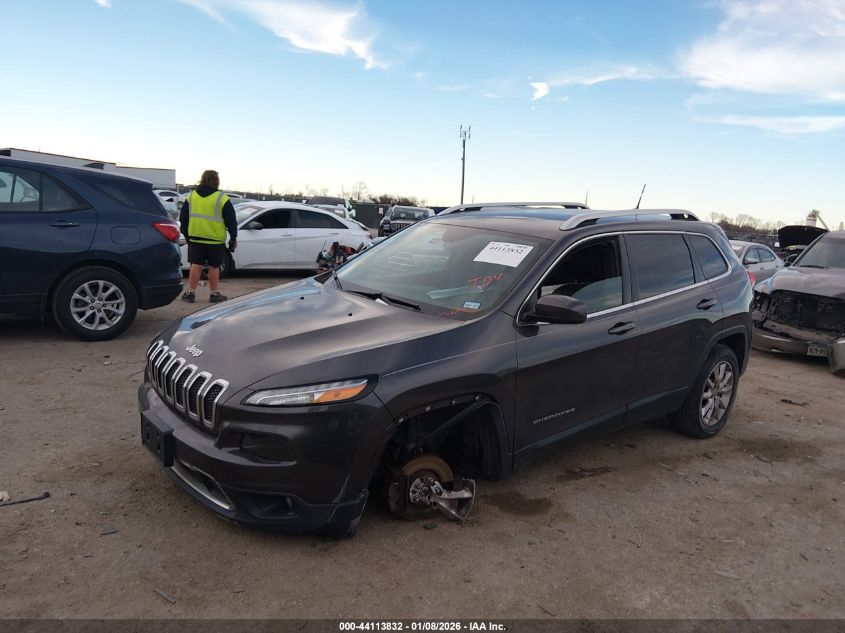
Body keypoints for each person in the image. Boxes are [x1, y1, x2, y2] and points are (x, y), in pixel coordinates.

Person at [179, 170, 237, 303]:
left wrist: (186, 234)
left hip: (195, 237)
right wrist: (233, 237)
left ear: (202, 179)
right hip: (215, 239)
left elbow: (183, 218)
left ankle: (190, 293)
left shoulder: (192, 196)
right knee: (214, 266)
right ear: (216, 181)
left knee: (196, 265)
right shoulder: (222, 198)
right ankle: (214, 294)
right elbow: (231, 220)